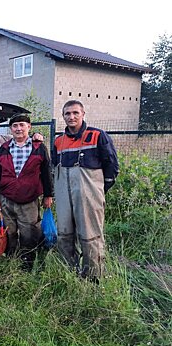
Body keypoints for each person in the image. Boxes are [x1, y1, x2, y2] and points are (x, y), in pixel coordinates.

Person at [52, 100, 118, 282]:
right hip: (64, 195)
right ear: (63, 116)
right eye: (67, 114)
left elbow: (112, 166)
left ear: (83, 114)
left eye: (75, 113)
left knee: (90, 236)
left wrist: (98, 191)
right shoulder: (59, 141)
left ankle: (93, 277)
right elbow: (54, 167)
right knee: (64, 234)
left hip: (89, 195)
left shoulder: (97, 136)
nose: (71, 117)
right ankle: (68, 273)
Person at [0, 113, 53, 271]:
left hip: (29, 199)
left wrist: (48, 194)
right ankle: (11, 256)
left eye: (22, 125)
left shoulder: (39, 148)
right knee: (9, 231)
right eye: (15, 126)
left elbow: (46, 173)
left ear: (29, 127)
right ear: (11, 129)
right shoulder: (4, 149)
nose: (18, 129)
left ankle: (28, 261)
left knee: (29, 232)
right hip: (6, 198)